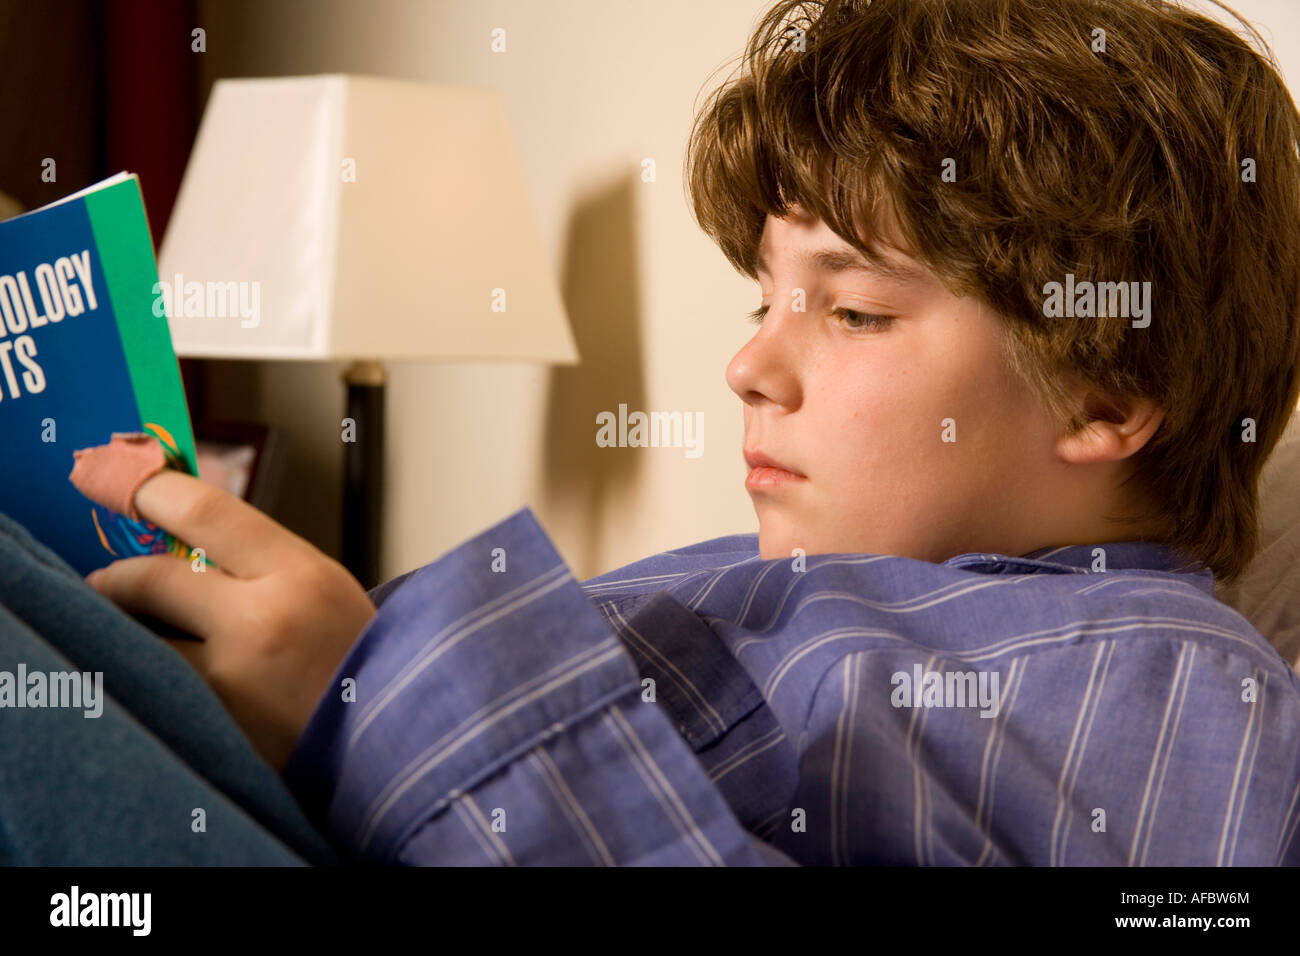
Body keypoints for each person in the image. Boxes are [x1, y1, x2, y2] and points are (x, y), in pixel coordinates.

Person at [6, 0, 1300, 865]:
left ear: (1108, 393)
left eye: (851, 309)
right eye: (764, 299)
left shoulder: (1174, 690)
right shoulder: (805, 590)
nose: (748, 365)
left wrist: (371, 694)